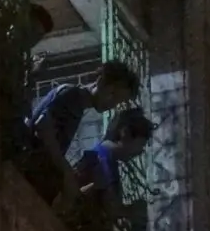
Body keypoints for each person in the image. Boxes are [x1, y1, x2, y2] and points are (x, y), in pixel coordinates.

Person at [15, 60, 140, 203]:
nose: (112, 103)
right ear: (100, 82)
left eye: (118, 102)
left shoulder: (79, 107)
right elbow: (42, 126)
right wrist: (65, 170)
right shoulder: (72, 95)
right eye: (112, 94)